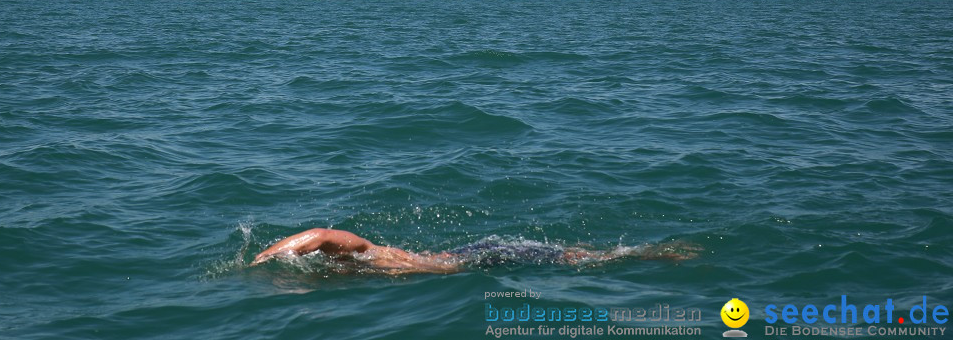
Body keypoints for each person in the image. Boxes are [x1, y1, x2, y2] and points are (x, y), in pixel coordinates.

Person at [250, 228, 698, 274]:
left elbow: (324, 233)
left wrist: (267, 257)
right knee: (564, 253)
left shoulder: (371, 258)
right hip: (473, 252)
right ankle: (652, 253)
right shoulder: (369, 262)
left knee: (577, 260)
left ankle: (655, 255)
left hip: (476, 259)